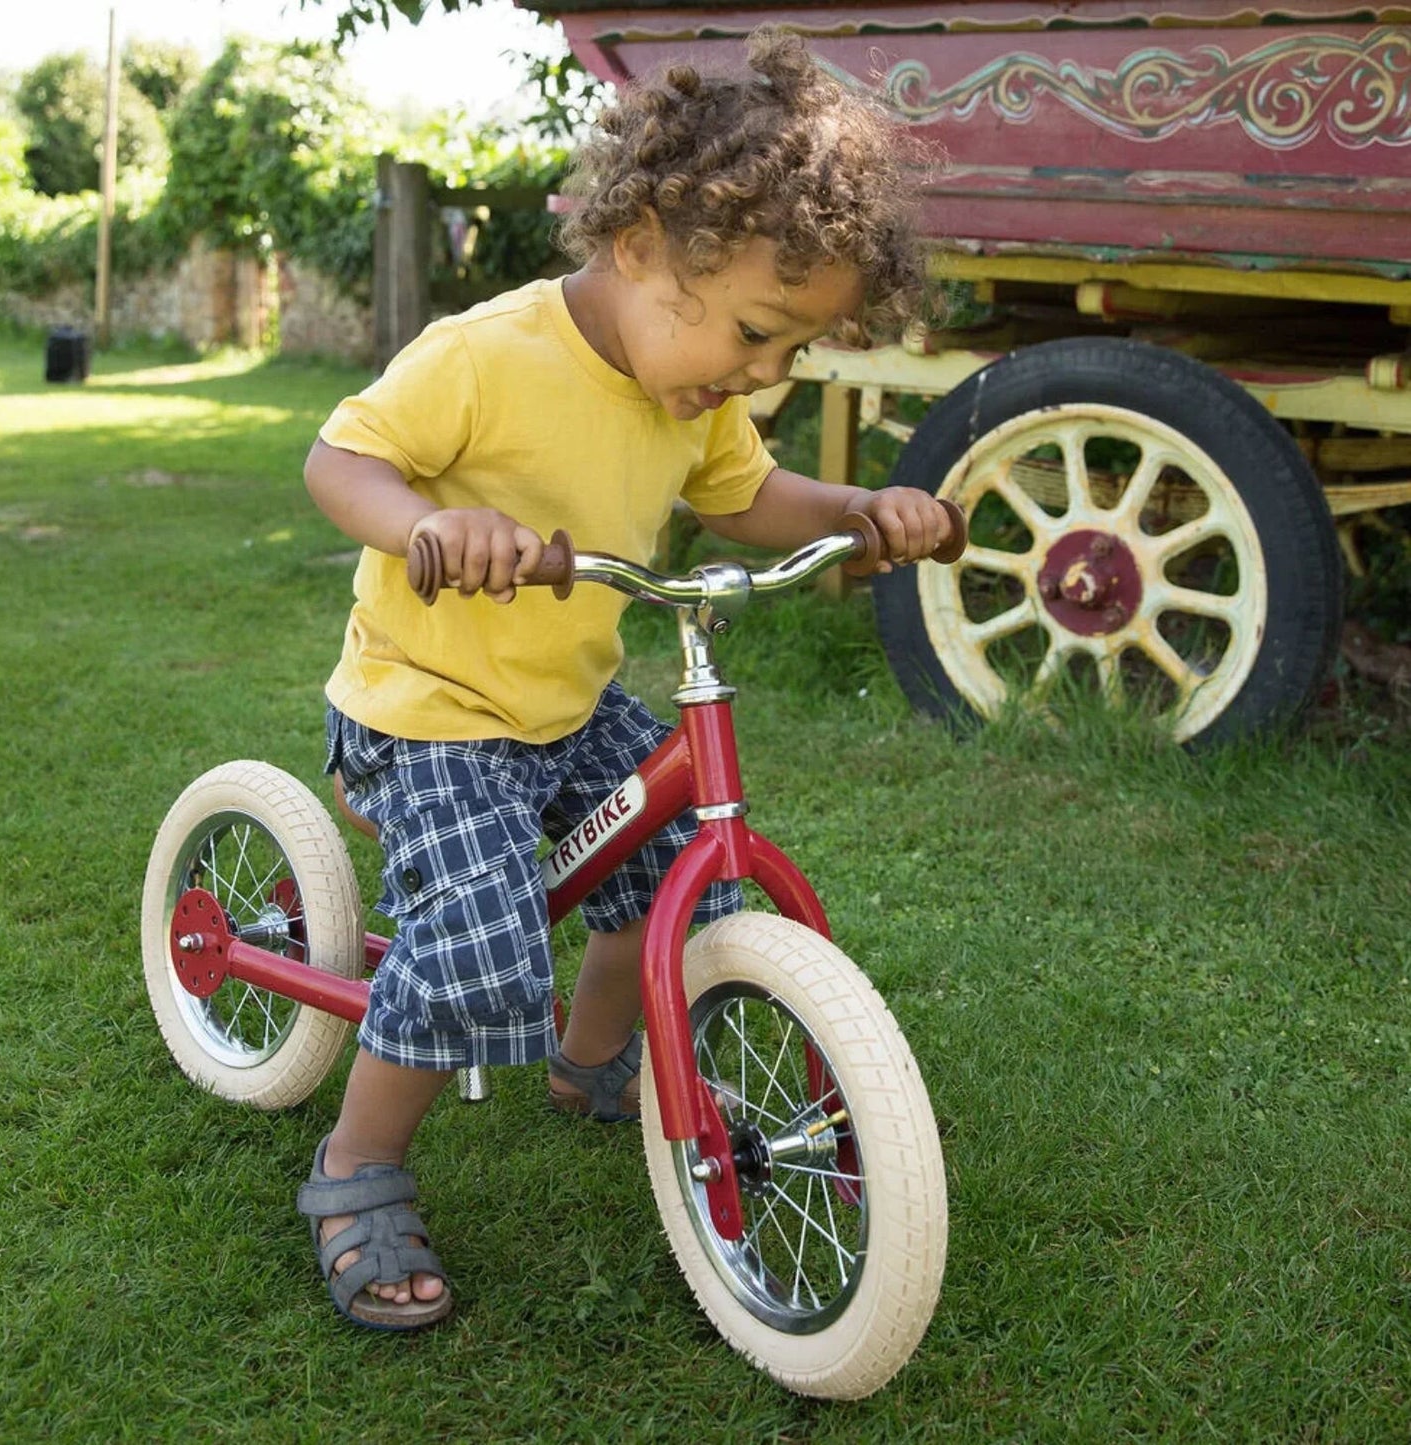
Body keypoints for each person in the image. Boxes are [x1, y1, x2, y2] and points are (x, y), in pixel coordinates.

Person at [295, 27, 954, 1331]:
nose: (763, 373)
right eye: (757, 334)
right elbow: (341, 460)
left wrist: (857, 510)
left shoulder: (690, 394)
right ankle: (356, 1164)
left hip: (565, 700)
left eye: (790, 352)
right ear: (649, 243)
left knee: (669, 860)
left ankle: (590, 1060)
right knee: (479, 947)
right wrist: (431, 524)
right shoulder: (487, 354)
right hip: (429, 709)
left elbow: (746, 498)